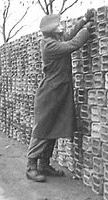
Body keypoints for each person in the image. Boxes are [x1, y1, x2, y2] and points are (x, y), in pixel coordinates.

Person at [26, 10, 93, 182]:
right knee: (43, 130)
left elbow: (70, 35)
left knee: (54, 128)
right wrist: (86, 30)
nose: (61, 26)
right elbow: (73, 44)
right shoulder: (49, 45)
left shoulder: (55, 40)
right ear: (51, 29)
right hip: (50, 93)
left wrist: (84, 19)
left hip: (59, 91)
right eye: (58, 24)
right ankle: (31, 166)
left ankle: (44, 165)